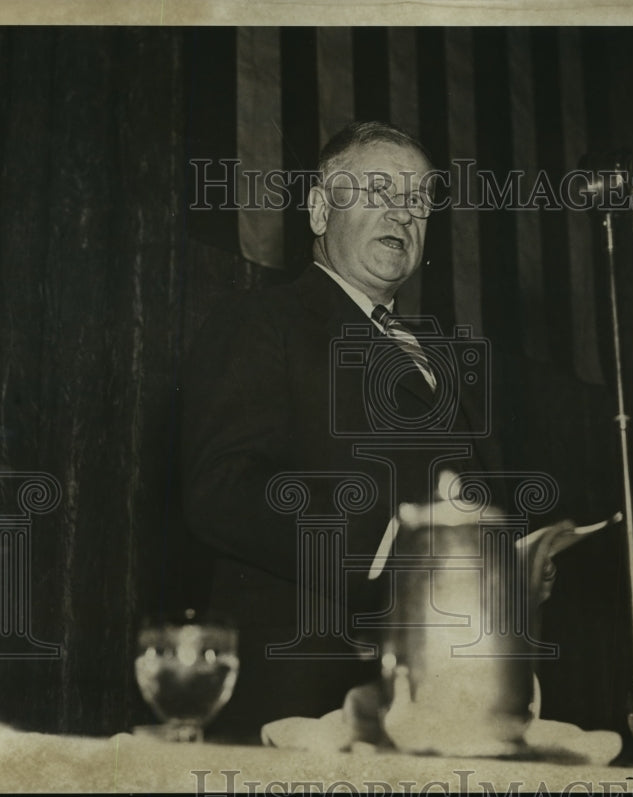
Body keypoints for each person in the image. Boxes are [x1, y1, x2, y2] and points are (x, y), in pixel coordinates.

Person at [181, 121, 501, 741]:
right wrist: (383, 546)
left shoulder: (445, 359)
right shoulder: (259, 322)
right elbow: (220, 489)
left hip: (443, 695)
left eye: (418, 201)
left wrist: (510, 562)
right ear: (320, 209)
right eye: (379, 190)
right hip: (307, 692)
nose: (403, 213)